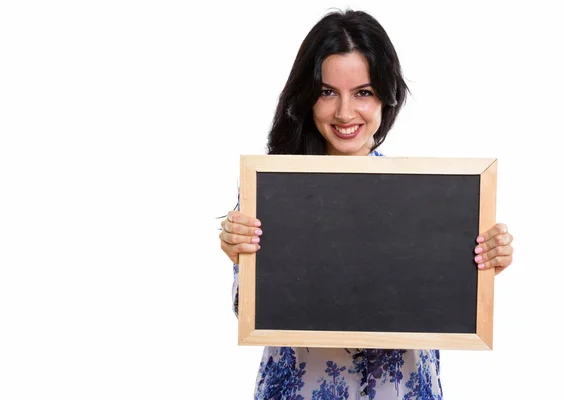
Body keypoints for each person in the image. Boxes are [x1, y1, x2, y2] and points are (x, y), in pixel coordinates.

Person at [219, 9, 514, 400]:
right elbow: (250, 312)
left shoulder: (428, 199)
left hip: (399, 387)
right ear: (307, 97)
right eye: (327, 92)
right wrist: (239, 256)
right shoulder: (270, 189)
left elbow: (445, 301)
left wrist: (483, 261)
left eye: (363, 92)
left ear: (386, 97)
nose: (344, 113)